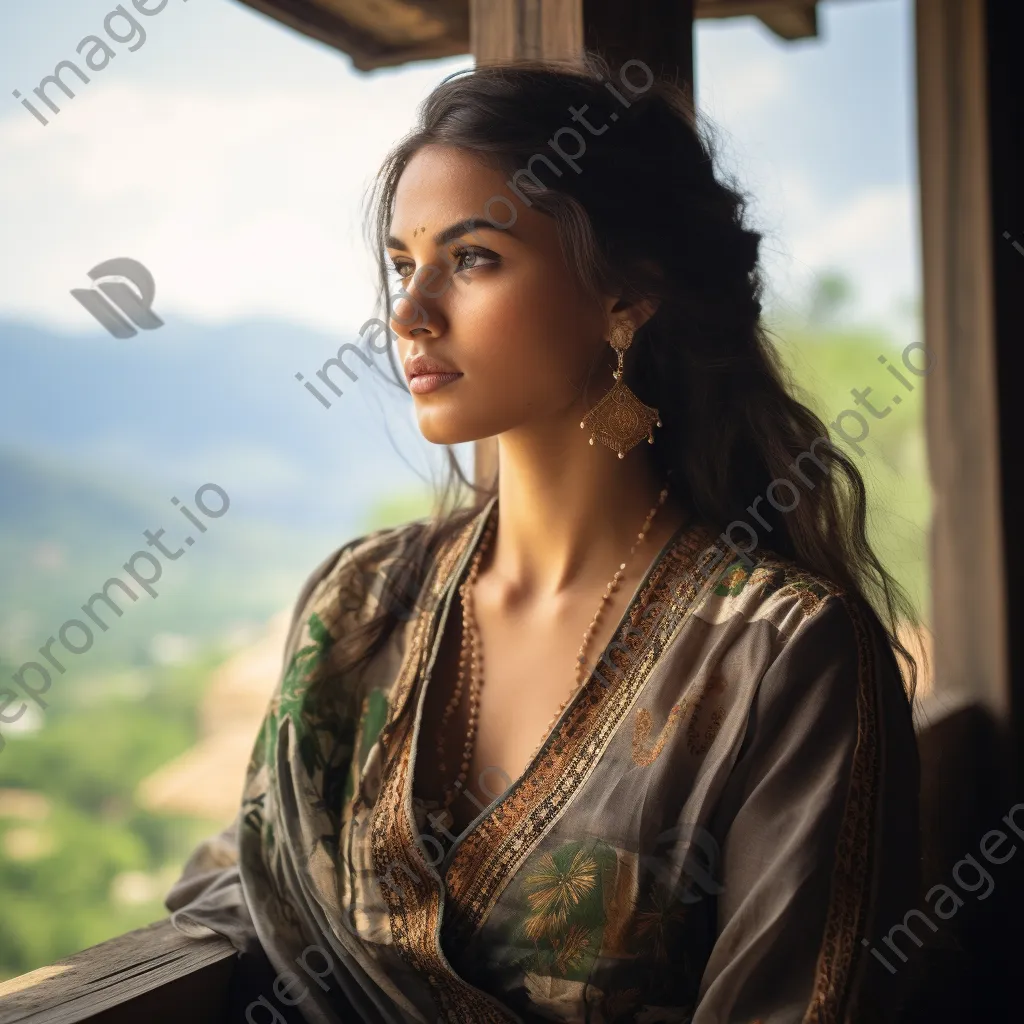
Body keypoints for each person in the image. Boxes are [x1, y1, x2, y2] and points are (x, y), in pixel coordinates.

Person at [166, 53, 921, 1024]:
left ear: (625, 296)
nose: (407, 313)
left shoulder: (782, 653)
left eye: (472, 258)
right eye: (402, 263)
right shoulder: (358, 602)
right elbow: (244, 901)